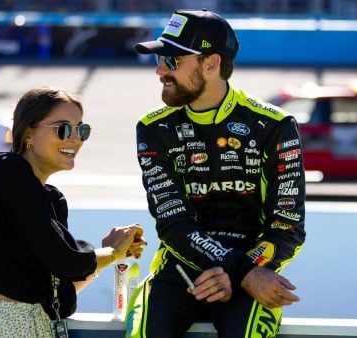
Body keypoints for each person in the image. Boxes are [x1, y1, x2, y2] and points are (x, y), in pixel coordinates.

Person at [126, 9, 306, 338]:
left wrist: (244, 271)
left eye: (172, 59)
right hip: (181, 267)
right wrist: (236, 269)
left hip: (255, 269)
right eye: (159, 59)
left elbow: (286, 228)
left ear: (212, 63)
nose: (160, 70)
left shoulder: (275, 127)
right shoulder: (154, 129)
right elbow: (173, 224)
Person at [0, 87, 145, 338]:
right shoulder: (6, 173)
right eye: (63, 128)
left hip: (37, 327)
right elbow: (66, 261)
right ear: (29, 132)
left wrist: (109, 255)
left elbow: (61, 296)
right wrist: (111, 252)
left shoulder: (48, 198)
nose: (75, 139)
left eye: (82, 130)